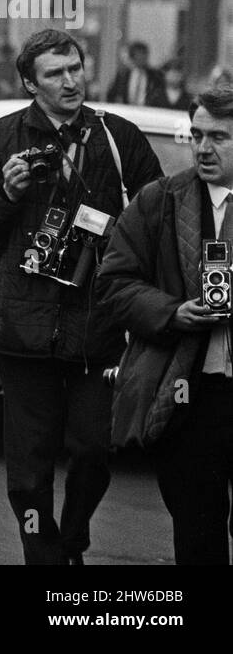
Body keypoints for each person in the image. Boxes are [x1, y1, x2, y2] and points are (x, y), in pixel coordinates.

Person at [0, 28, 163, 564]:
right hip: (23, 328)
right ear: (30, 82)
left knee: (95, 451)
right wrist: (8, 192)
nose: (70, 81)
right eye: (54, 73)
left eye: (75, 68)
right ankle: (46, 560)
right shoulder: (0, 139)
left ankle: (72, 536)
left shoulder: (118, 138)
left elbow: (156, 218)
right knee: (28, 470)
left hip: (97, 326)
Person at [97, 85, 233, 564]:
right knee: (197, 532)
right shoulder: (162, 201)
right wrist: (171, 312)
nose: (202, 148)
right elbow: (112, 282)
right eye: (196, 134)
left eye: (219, 137)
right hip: (187, 393)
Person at [105, 41, 165, 107]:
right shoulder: (123, 74)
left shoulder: (155, 75)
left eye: (144, 55)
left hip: (147, 112)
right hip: (126, 111)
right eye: (138, 55)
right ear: (132, 57)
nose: (141, 59)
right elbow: (111, 95)